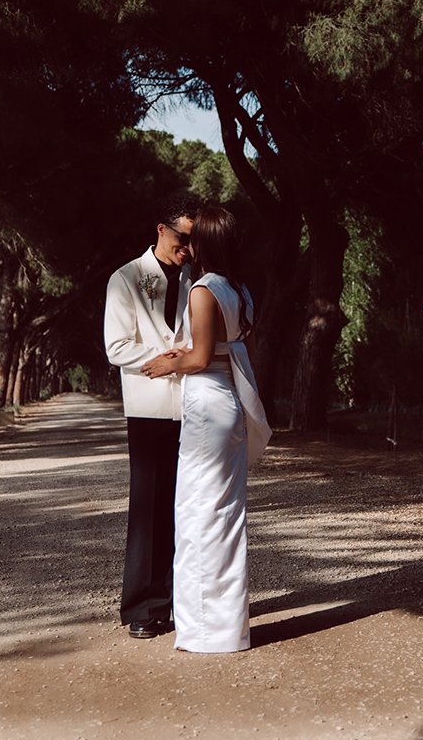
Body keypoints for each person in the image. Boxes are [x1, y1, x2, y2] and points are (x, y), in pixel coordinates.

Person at [141, 206, 271, 653]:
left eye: (193, 239)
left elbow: (199, 359)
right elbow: (228, 347)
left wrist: (166, 363)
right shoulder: (241, 291)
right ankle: (228, 626)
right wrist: (192, 352)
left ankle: (205, 632)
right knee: (226, 515)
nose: (187, 245)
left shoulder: (201, 290)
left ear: (205, 245)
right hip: (230, 402)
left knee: (198, 514)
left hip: (206, 406)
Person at [104, 194, 199, 639]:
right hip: (148, 407)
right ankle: (142, 609)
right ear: (161, 229)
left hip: (191, 406)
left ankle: (177, 603)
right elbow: (116, 347)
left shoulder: (196, 278)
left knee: (184, 509)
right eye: (183, 239)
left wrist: (187, 359)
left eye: (193, 243)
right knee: (148, 509)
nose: (188, 250)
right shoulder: (125, 278)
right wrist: (167, 356)